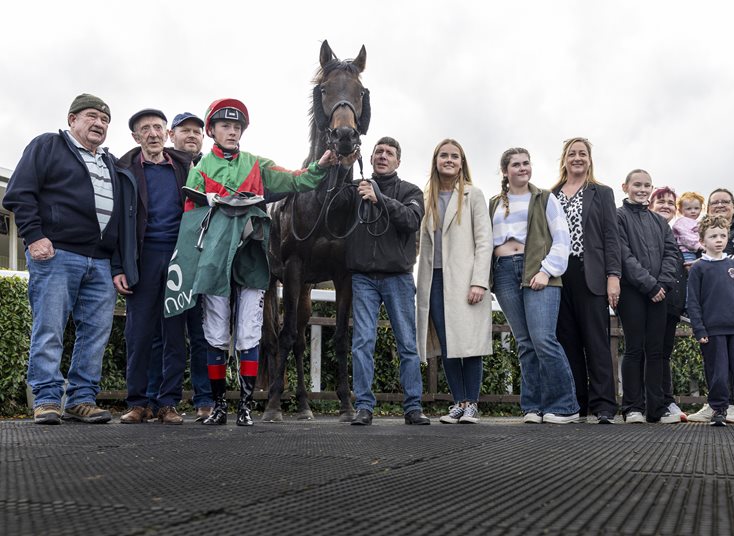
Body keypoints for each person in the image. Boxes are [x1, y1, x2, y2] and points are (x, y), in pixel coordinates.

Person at [163, 98, 342, 427]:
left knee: (248, 332)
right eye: (225, 126)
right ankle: (219, 406)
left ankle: (244, 406)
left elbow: (296, 181)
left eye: (236, 127)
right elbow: (191, 219)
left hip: (250, 258)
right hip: (215, 260)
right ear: (212, 131)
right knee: (214, 333)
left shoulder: (257, 165)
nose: (231, 132)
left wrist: (320, 166)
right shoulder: (200, 169)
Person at [2, 93, 137, 424]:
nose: (99, 124)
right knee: (49, 327)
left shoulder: (111, 163)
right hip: (57, 254)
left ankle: (81, 399)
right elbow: (19, 192)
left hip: (102, 261)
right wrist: (33, 235)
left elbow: (120, 219)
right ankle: (47, 398)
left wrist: (117, 264)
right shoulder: (48, 145)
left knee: (96, 333)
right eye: (91, 116)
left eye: (105, 120)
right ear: (72, 119)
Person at [114, 109, 195, 425]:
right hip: (142, 260)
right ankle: (138, 403)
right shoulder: (125, 171)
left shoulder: (184, 168)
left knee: (175, 335)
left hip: (177, 260)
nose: (152, 133)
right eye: (145, 128)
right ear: (136, 137)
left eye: (157, 127)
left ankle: (168, 403)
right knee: (139, 334)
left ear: (166, 133)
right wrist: (118, 266)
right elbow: (117, 225)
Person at [490, 147, 580, 424]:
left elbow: (562, 238)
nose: (522, 168)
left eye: (526, 163)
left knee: (543, 339)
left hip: (538, 270)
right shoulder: (494, 202)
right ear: (505, 171)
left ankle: (566, 406)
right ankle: (533, 406)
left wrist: (547, 271)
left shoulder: (544, 198)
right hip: (505, 271)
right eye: (516, 164)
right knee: (525, 343)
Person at [344, 137, 430, 426]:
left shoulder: (411, 191)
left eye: (389, 153)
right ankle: (364, 406)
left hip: (398, 277)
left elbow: (410, 220)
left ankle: (413, 406)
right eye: (378, 152)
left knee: (407, 343)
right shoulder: (355, 191)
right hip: (363, 278)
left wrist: (380, 197)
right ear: (370, 159)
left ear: (398, 161)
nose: (383, 156)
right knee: (362, 343)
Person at [416, 139, 492, 424]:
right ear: (436, 160)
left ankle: (472, 403)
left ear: (462, 162)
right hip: (433, 279)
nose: (449, 160)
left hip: (464, 279)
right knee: (447, 343)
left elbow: (485, 241)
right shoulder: (425, 197)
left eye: (454, 156)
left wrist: (479, 282)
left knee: (470, 342)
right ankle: (458, 402)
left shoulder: (473, 195)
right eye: (443, 155)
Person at [143, 112, 212, 422]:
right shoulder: (164, 167)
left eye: (197, 131)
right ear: (172, 135)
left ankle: (204, 398)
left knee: (201, 334)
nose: (192, 135)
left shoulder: (212, 168)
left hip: (202, 264)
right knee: (161, 334)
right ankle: (155, 399)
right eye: (185, 130)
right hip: (166, 262)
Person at [550, 137, 620, 424]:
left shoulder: (601, 193)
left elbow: (611, 237)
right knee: (567, 341)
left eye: (582, 153)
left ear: (589, 159)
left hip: (590, 272)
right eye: (572, 153)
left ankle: (604, 405)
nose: (577, 158)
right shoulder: (550, 194)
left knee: (596, 341)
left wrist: (613, 276)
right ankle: (575, 403)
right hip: (559, 273)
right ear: (564, 159)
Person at [617, 170, 680, 424]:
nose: (642, 189)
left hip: (660, 292)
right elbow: (623, 254)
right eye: (637, 185)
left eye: (646, 185)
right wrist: (649, 285)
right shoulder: (618, 217)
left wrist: (661, 284)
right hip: (632, 292)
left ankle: (657, 408)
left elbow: (671, 254)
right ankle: (632, 407)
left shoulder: (660, 222)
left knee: (655, 351)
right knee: (634, 348)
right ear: (625, 187)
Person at [686, 188, 734, 424]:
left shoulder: (733, 264)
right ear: (702, 241)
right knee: (718, 372)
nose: (719, 240)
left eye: (722, 236)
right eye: (713, 237)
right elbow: (692, 302)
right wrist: (699, 329)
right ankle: (719, 409)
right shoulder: (699, 268)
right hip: (713, 329)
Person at [648, 186, 688, 422]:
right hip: (651, 297)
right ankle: (648, 401)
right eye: (660, 201)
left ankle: (665, 399)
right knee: (646, 352)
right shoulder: (647, 232)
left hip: (673, 301)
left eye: (671, 203)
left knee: (664, 353)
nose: (666, 206)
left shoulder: (683, 234)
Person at [672, 191, 704, 264]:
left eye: (696, 208)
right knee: (690, 268)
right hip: (686, 252)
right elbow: (685, 236)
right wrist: (698, 245)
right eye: (688, 209)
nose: (693, 211)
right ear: (680, 210)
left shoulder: (697, 222)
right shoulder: (682, 222)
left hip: (696, 251)